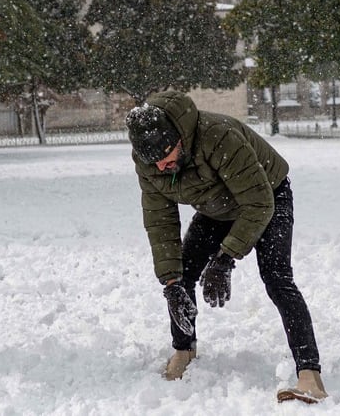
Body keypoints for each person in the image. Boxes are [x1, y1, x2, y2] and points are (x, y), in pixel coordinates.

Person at [126, 90, 327, 404]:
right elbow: (160, 221)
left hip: (268, 196)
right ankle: (184, 349)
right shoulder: (151, 164)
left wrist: (225, 259)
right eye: (155, 162)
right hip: (216, 207)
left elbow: (259, 203)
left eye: (166, 156)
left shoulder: (216, 135)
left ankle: (309, 374)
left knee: (276, 278)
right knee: (183, 273)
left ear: (179, 137)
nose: (163, 166)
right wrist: (170, 282)